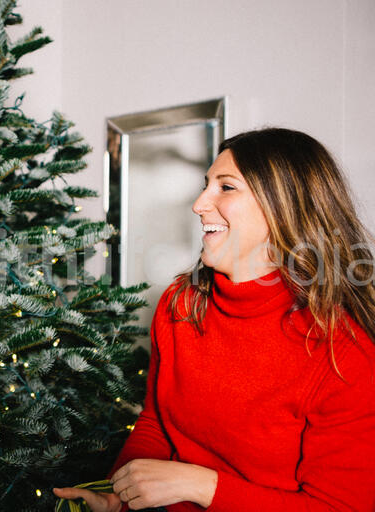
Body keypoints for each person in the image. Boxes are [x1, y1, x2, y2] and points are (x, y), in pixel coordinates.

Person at [53, 127, 375, 511]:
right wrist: (117, 498)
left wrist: (204, 486)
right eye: (206, 185)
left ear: (283, 206)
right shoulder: (181, 304)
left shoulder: (343, 351)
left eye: (226, 187)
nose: (199, 203)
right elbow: (158, 422)